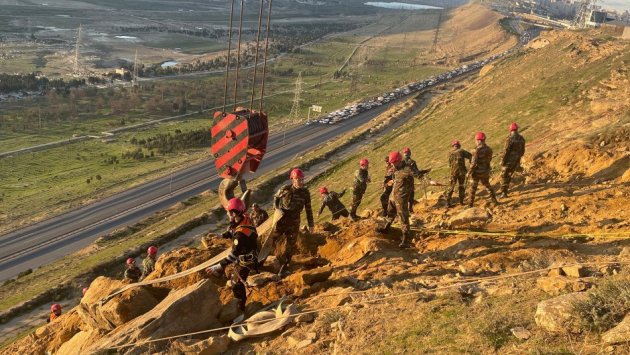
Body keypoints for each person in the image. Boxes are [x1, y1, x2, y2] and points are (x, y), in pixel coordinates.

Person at [206, 198, 258, 311]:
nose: (227, 213)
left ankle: (241, 307)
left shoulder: (240, 235)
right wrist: (222, 235)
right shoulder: (244, 218)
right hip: (249, 252)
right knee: (233, 274)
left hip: (247, 261)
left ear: (234, 213)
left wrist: (218, 266)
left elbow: (233, 255)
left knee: (236, 284)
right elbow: (233, 229)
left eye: (228, 211)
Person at [273, 168, 314, 275]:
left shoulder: (305, 192)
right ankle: (262, 261)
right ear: (292, 180)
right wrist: (276, 211)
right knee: (272, 240)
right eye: (298, 180)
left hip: (294, 221)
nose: (300, 182)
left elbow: (308, 209)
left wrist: (311, 224)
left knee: (291, 244)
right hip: (282, 220)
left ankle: (284, 267)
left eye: (302, 179)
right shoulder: (285, 190)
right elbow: (276, 198)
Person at [378, 151, 415, 248]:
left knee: (403, 217)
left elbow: (418, 174)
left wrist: (429, 181)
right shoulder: (395, 169)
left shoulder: (407, 169)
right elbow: (392, 177)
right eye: (392, 163)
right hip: (393, 196)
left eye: (394, 162)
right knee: (390, 212)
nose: (393, 165)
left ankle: (405, 239)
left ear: (399, 160)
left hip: (401, 198)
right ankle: (386, 228)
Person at [467, 132, 499, 207]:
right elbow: (489, 160)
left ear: (478, 140)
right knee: (488, 186)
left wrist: (469, 172)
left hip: (476, 173)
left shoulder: (476, 150)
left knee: (473, 188)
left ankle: (470, 205)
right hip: (485, 171)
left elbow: (473, 163)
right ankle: (494, 201)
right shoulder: (489, 149)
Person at [500, 122, 526, 197]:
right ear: (517, 129)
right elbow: (523, 150)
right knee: (510, 174)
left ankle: (503, 192)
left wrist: (502, 160)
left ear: (510, 130)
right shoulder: (521, 138)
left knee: (504, 176)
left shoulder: (509, 139)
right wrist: (518, 157)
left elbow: (506, 151)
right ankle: (505, 190)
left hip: (508, 161)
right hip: (516, 160)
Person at [402, 147, 431, 212]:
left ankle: (405, 209)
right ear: (410, 153)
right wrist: (423, 175)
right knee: (411, 195)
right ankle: (410, 209)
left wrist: (424, 171)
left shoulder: (400, 163)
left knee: (404, 196)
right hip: (409, 182)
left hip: (402, 182)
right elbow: (416, 172)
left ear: (403, 154)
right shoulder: (412, 162)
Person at [446, 140, 472, 207]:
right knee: (461, 186)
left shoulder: (449, 153)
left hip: (453, 173)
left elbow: (449, 164)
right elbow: (470, 156)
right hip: (461, 172)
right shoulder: (461, 151)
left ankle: (448, 203)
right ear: (459, 145)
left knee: (450, 187)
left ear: (452, 146)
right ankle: (461, 202)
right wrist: (470, 163)